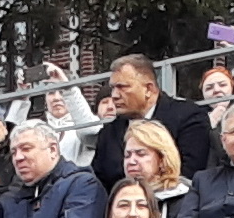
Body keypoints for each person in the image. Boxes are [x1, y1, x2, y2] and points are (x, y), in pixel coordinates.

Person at [89, 54, 214, 190]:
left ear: (149, 89)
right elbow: (99, 184)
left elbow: (191, 174)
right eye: (113, 88)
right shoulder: (108, 133)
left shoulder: (189, 117)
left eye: (122, 87)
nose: (114, 95)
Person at [3, 118, 107, 218]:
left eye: (26, 148)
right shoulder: (12, 199)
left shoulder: (83, 185)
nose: (18, 157)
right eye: (14, 152)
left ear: (52, 149)